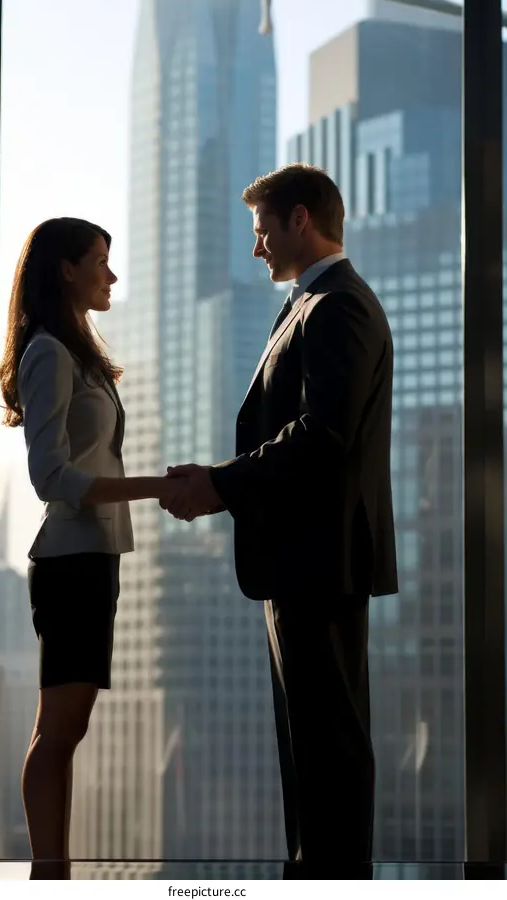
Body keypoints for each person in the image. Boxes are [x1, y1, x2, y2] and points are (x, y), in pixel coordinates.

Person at [162, 165, 398, 878]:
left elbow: (322, 435)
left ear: (300, 219)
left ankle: (330, 880)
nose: (256, 247)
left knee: (327, 743)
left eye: (262, 230)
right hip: (299, 557)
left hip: (317, 559)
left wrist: (221, 486)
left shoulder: (339, 307)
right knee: (310, 742)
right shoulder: (310, 303)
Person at [0, 217, 181, 879]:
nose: (112, 274)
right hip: (71, 559)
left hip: (94, 559)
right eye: (100, 261)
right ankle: (49, 875)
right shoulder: (48, 351)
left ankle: (56, 871)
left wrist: (153, 487)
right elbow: (50, 476)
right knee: (58, 731)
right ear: (65, 270)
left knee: (66, 731)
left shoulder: (77, 352)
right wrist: (153, 487)